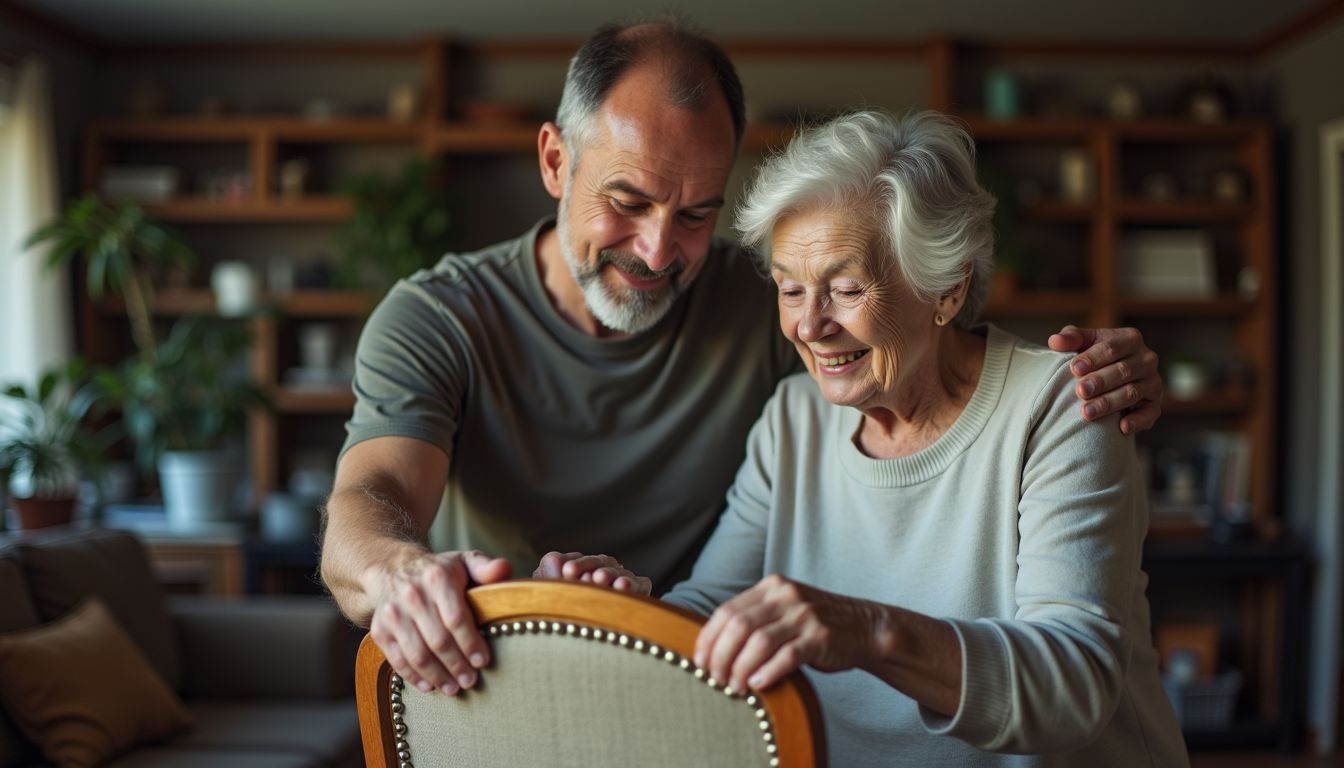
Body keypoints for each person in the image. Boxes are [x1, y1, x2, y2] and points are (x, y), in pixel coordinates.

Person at [319, 20, 1166, 703]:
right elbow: (371, 500)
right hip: (519, 683)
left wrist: (1100, 373)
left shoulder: (764, 308)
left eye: (695, 213)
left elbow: (924, 326)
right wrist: (400, 571)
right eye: (628, 203)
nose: (657, 251)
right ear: (553, 161)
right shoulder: (440, 315)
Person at [548, 109, 1188, 766]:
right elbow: (718, 608)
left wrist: (868, 630)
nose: (809, 325)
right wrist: (627, 612)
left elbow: (1074, 686)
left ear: (947, 287)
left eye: (846, 289)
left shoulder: (1062, 404)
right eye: (790, 290)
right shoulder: (793, 417)